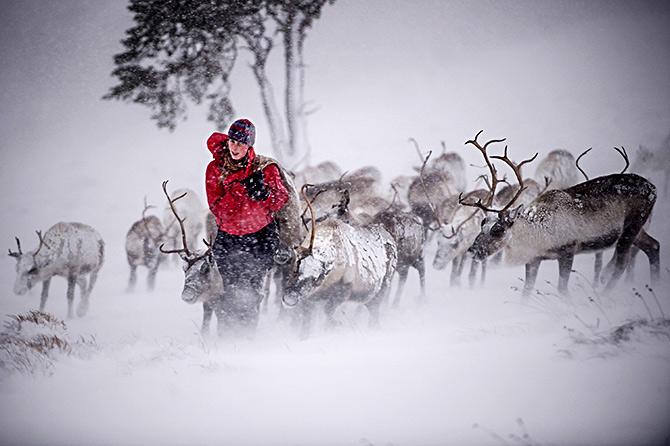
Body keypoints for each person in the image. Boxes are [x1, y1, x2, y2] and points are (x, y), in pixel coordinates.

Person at [205, 118, 290, 333]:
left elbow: (281, 200)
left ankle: (247, 337)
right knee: (229, 288)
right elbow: (216, 208)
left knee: (252, 288)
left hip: (260, 238)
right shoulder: (215, 169)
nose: (235, 147)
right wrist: (240, 191)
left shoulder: (265, 168)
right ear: (227, 140)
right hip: (229, 238)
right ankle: (226, 336)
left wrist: (264, 194)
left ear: (249, 145)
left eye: (242, 144)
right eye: (233, 141)